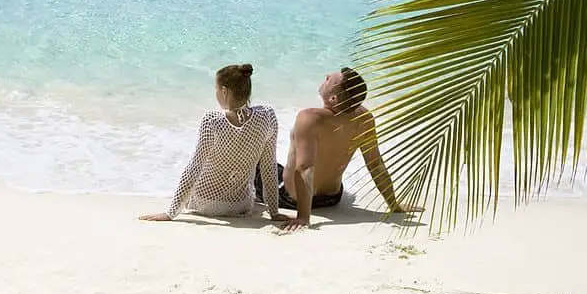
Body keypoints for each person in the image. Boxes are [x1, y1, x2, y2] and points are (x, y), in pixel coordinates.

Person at [254, 67, 422, 231]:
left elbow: (305, 168)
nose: (326, 76)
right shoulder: (364, 118)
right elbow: (375, 164)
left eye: (329, 80)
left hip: (293, 198)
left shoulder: (310, 118)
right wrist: (394, 205)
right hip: (333, 198)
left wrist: (303, 217)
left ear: (333, 98)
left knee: (255, 162)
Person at [139, 64, 287, 223]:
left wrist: (170, 213)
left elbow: (194, 168)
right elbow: (268, 167)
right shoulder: (267, 116)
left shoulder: (213, 120)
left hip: (204, 204)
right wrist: (274, 212)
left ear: (224, 91)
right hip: (240, 206)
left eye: (216, 89)